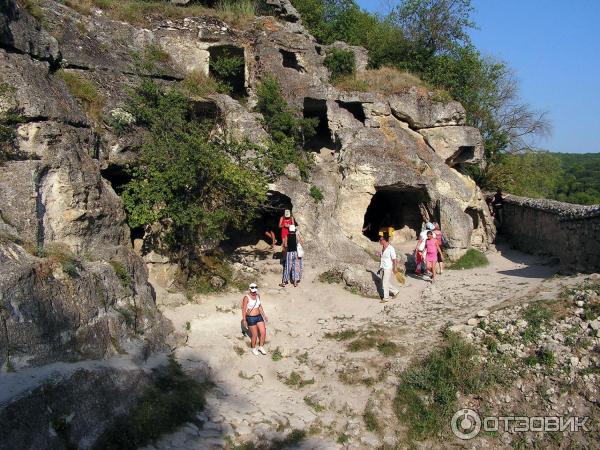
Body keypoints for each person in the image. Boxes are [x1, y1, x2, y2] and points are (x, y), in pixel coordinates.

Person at [241, 283, 269, 356]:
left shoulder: (258, 296)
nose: (254, 292)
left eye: (255, 291)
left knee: (263, 332)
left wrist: (264, 315)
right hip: (250, 318)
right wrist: (244, 320)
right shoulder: (246, 297)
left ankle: (261, 347)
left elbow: (259, 306)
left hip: (259, 316)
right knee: (255, 334)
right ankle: (253, 348)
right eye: (253, 291)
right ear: (249, 289)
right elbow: (244, 309)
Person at [378, 235, 399, 301]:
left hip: (388, 267)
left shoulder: (391, 248)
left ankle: (386, 298)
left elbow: (394, 259)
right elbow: (383, 257)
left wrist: (395, 268)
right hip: (383, 267)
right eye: (380, 240)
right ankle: (395, 291)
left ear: (384, 240)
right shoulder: (383, 247)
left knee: (384, 283)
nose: (380, 241)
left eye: (381, 240)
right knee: (385, 282)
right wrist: (380, 254)